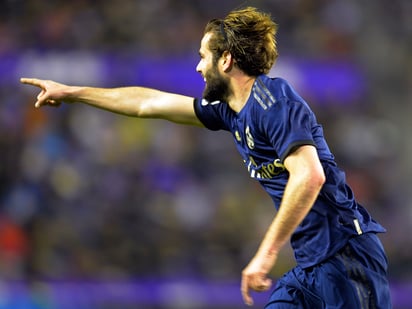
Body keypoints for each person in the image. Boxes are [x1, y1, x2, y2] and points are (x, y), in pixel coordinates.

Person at [21, 6, 391, 309]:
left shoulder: (273, 100)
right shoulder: (231, 109)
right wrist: (73, 92)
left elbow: (310, 176)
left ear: (226, 60)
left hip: (347, 258)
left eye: (203, 57)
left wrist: (265, 254)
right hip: (310, 266)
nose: (198, 67)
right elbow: (149, 103)